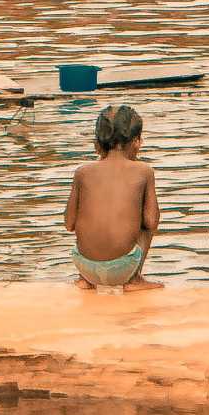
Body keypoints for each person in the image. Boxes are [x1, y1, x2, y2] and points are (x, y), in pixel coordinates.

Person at [64, 104, 161, 290]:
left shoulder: (82, 173)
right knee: (146, 224)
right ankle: (134, 280)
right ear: (136, 141)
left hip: (84, 266)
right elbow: (152, 222)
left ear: (97, 144)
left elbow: (69, 224)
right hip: (123, 268)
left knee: (88, 216)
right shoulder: (144, 171)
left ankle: (84, 281)